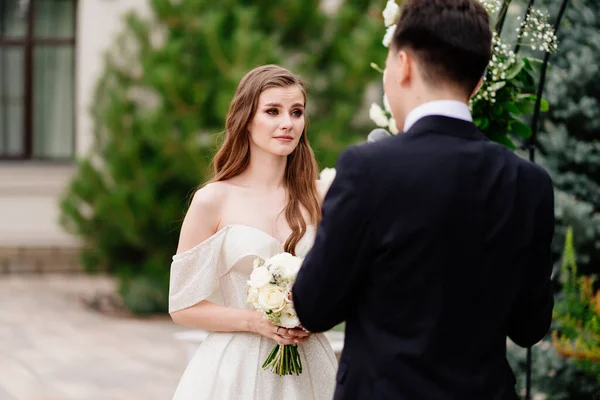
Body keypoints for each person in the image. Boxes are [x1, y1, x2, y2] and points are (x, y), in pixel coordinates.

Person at [292, 0, 555, 399]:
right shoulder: (529, 183)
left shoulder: (367, 170)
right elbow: (529, 326)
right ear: (480, 81)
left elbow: (314, 307)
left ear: (405, 65)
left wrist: (330, 214)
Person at [169, 65, 337, 400]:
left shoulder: (319, 198)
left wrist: (314, 314)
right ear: (247, 119)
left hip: (311, 366)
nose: (287, 123)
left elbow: (341, 281)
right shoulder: (212, 200)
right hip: (236, 370)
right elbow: (182, 306)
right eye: (272, 111)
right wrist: (255, 322)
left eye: (297, 112)